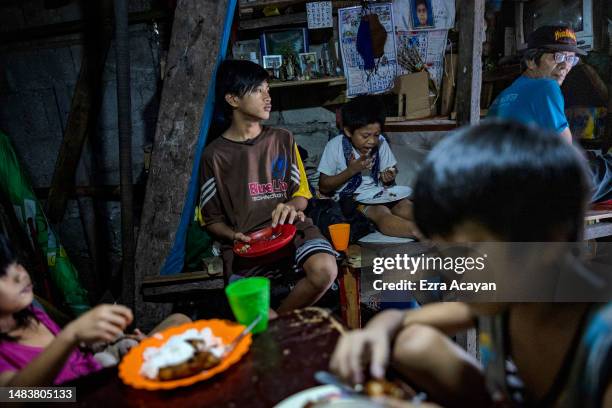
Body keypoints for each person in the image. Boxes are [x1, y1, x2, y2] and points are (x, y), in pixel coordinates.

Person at [330, 121, 612, 407]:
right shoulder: (510, 294)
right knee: (411, 341)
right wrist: (374, 333)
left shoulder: (602, 344)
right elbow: (400, 321)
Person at [198, 59, 338, 313]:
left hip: (292, 231)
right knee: (261, 319)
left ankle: (280, 320)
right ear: (233, 100)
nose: (267, 97)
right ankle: (276, 324)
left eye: (268, 89)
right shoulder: (214, 156)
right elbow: (211, 220)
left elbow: (301, 195)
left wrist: (290, 205)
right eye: (258, 90)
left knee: (325, 270)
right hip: (247, 246)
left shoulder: (282, 138)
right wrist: (233, 236)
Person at [0, 233, 190, 386]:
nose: (20, 275)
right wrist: (71, 336)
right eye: (2, 275)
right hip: (93, 396)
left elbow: (74, 360)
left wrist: (96, 344)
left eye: (15, 263)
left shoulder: (31, 314)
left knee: (180, 321)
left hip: (103, 373)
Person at [488, 24, 612, 203]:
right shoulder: (546, 86)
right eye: (558, 56)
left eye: (571, 59)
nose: (565, 66)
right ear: (531, 61)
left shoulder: (505, 94)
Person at [317, 95, 420, 239]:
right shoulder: (335, 146)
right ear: (348, 131)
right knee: (381, 213)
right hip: (354, 200)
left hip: (381, 193)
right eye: (365, 136)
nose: (372, 141)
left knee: (406, 206)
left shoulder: (381, 143)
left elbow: (391, 168)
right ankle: (420, 233)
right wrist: (352, 170)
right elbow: (324, 186)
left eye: (376, 135)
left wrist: (389, 174)